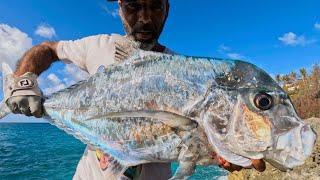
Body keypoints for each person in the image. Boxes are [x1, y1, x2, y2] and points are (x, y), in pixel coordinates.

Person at [4, 0, 266, 179]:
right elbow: (48, 49)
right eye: (133, 5)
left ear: (167, 8)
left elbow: (199, 131)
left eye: (155, 5)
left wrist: (223, 147)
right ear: (119, 6)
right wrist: (22, 80)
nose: (145, 18)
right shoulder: (98, 46)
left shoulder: (184, 74)